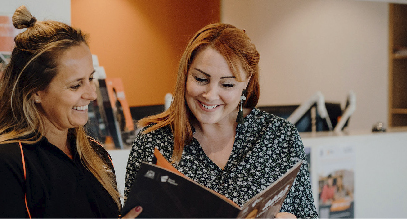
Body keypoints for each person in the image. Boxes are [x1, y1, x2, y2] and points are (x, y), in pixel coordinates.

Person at [0, 6, 142, 218]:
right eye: (75, 85)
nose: (91, 94)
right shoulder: (3, 165)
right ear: (35, 92)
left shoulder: (96, 155)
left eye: (90, 78)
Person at [124, 23, 318, 218]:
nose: (210, 95)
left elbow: (306, 214)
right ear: (185, 74)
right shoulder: (152, 141)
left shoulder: (280, 137)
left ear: (247, 82)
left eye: (227, 84)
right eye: (200, 79)